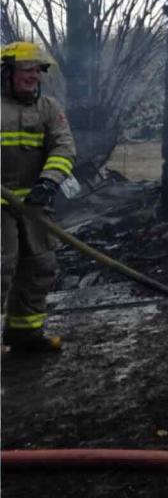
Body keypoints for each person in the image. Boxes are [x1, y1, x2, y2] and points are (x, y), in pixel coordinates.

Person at [2, 41, 76, 353]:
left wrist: (48, 183)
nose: (33, 76)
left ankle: (25, 334)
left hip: (34, 203)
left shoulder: (48, 108)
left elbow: (64, 147)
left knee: (39, 267)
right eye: (26, 69)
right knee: (1, 267)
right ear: (6, 73)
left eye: (37, 70)